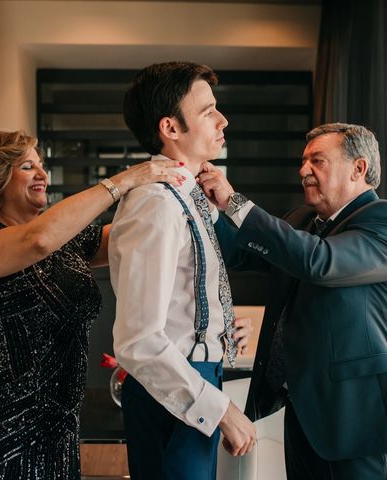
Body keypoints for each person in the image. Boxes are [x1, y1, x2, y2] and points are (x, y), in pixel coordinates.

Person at [0, 130, 186, 479]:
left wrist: (183, 193)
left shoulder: (67, 239)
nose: (42, 173)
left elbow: (134, 236)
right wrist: (125, 180)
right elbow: (39, 239)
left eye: (42, 164)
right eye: (28, 166)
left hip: (58, 419)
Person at [198, 123, 387, 480]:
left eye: (317, 160)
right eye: (304, 162)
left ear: (358, 168)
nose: (304, 171)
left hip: (354, 417)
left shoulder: (386, 221)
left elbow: (319, 262)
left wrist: (234, 202)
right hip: (302, 408)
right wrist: (208, 208)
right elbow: (240, 253)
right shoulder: (302, 219)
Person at [108, 62, 257, 480]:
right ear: (171, 128)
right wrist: (221, 409)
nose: (223, 119)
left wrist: (217, 328)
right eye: (208, 110)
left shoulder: (189, 195)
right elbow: (138, 340)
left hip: (193, 377)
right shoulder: (155, 203)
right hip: (172, 391)